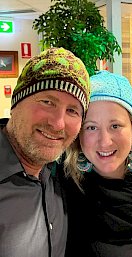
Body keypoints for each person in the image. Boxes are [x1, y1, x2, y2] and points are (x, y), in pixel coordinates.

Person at [63, 70, 132, 257]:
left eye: (115, 126)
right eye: (91, 127)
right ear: (79, 135)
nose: (104, 141)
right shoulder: (65, 194)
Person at [0, 47, 90, 257]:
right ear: (16, 103)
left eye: (72, 111)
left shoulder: (66, 173)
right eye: (47, 102)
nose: (58, 124)